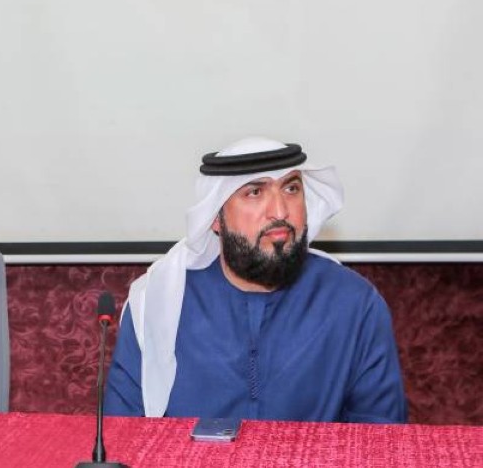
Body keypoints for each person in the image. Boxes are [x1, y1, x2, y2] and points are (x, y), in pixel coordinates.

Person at [105, 136, 407, 423]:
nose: (280, 211)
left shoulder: (354, 305)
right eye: (255, 192)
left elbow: (382, 440)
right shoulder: (158, 303)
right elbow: (122, 437)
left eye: (291, 189)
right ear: (215, 218)